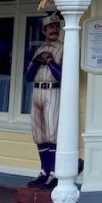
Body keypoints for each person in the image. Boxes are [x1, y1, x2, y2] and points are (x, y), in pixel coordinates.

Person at [25, 12, 63, 188]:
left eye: (56, 26)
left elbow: (62, 76)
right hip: (37, 91)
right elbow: (28, 77)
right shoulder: (39, 49)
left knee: (52, 133)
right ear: (44, 30)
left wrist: (49, 62)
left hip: (52, 91)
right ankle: (44, 171)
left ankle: (55, 173)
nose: (54, 30)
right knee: (39, 134)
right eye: (51, 27)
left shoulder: (63, 48)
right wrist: (37, 62)